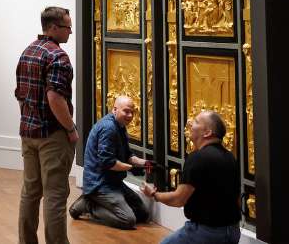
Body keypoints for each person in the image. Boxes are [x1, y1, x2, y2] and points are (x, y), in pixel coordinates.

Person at [15, 6, 77, 244]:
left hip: (28, 132)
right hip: (52, 135)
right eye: (67, 27)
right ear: (52, 27)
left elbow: (21, 94)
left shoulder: (28, 51)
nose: (70, 32)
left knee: (30, 192)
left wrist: (28, 119)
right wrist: (70, 129)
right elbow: (55, 97)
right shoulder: (58, 56)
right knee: (55, 195)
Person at [142, 111, 241, 244]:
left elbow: (178, 199)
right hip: (233, 231)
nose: (190, 124)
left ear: (207, 133)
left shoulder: (197, 158)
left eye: (196, 122)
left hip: (205, 233)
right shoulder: (230, 157)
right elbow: (237, 199)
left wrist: (154, 194)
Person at [70, 95, 151, 229]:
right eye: (126, 111)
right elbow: (108, 162)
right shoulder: (109, 128)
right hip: (99, 184)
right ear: (114, 110)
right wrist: (131, 168)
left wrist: (146, 163)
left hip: (114, 182)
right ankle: (89, 205)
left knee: (143, 214)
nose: (130, 115)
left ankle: (93, 201)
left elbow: (128, 155)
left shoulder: (120, 126)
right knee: (128, 220)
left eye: (132, 112)